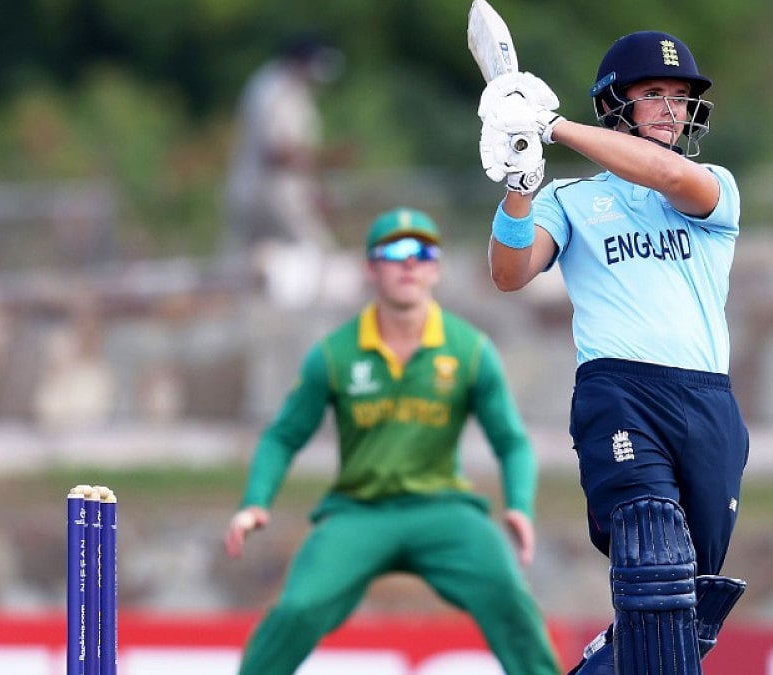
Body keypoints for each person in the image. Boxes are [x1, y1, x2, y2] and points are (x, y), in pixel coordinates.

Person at [475, 31, 748, 675]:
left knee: (684, 611)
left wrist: (551, 126)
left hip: (709, 404)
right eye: (652, 93)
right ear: (615, 104)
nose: (670, 108)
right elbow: (511, 273)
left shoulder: (712, 186)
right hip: (620, 393)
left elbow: (667, 173)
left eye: (681, 98)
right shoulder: (570, 199)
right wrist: (519, 180)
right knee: (652, 561)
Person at [223, 207, 562, 675]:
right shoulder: (336, 353)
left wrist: (520, 506)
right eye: (395, 252)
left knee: (509, 597)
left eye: (422, 252)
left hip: (443, 509)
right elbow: (284, 434)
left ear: (436, 269)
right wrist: (255, 501)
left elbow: (511, 440)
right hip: (359, 511)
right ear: (370, 268)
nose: (409, 263)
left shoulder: (469, 349)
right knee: (297, 609)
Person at [222, 33, 346, 272]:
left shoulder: (290, 90)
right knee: (318, 254)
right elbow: (277, 152)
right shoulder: (273, 89)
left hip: (268, 192)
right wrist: (324, 161)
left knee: (246, 267)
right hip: (267, 193)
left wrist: (316, 188)